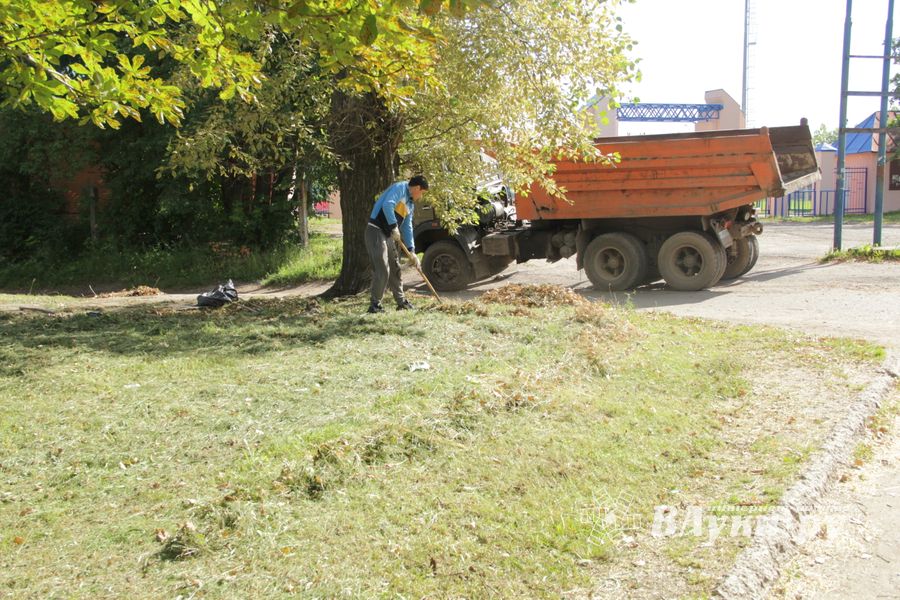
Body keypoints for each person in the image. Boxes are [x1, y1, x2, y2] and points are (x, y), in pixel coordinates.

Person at [365, 175, 428, 313]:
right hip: (375, 231)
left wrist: (412, 251)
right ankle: (375, 305)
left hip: (388, 235)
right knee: (383, 269)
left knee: (395, 269)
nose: (421, 196)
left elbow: (407, 227)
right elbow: (388, 204)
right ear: (417, 188)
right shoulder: (401, 187)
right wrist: (394, 226)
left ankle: (401, 302)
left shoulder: (410, 204)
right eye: (422, 192)